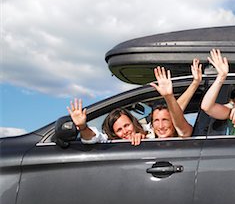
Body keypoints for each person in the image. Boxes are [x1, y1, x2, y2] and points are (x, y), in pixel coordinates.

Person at [67, 59, 202, 145]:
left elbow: (175, 114)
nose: (125, 131)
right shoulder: (118, 142)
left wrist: (171, 95)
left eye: (126, 125)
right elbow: (94, 138)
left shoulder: (152, 133)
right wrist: (83, 127)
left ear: (134, 123)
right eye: (119, 130)